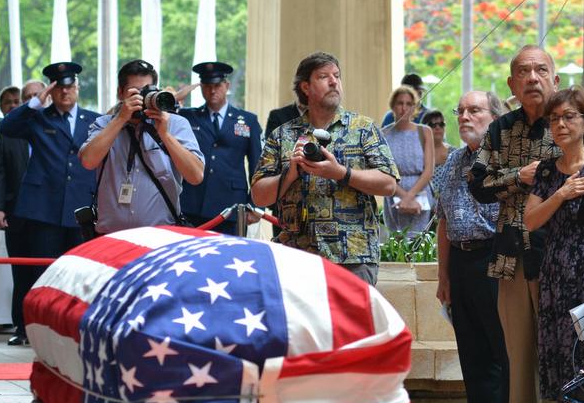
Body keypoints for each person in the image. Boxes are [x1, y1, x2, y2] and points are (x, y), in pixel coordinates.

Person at [468, 45, 584, 403]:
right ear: (511, 84)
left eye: (541, 69)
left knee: (568, 352)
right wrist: (518, 177)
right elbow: (478, 184)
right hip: (513, 254)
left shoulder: (581, 127)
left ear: (555, 79)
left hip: (572, 260)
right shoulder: (501, 130)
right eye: (523, 71)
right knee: (521, 353)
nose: (532, 78)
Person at [250, 52, 399, 286]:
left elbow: (389, 184)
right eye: (324, 76)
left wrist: (341, 173)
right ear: (306, 87)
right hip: (297, 256)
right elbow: (258, 195)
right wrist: (291, 173)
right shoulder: (282, 135)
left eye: (337, 76)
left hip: (353, 257)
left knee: (352, 324)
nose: (334, 82)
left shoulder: (363, 128)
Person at [434, 91, 509, 403]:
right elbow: (443, 221)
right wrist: (443, 275)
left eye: (474, 110)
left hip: (495, 258)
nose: (464, 116)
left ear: (494, 117)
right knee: (473, 353)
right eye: (459, 110)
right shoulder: (450, 162)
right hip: (461, 263)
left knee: (501, 351)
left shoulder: (505, 158)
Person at [522, 87, 584, 403]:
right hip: (553, 270)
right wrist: (561, 194)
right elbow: (530, 220)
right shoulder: (545, 170)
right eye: (554, 119)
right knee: (555, 353)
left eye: (569, 117)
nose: (561, 125)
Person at [0, 62, 100, 298]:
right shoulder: (38, 117)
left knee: (78, 274)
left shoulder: (93, 120)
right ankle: (37, 330)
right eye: (59, 87)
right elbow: (6, 127)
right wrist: (34, 102)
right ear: (51, 90)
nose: (65, 91)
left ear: (77, 87)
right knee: (43, 275)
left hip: (81, 208)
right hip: (43, 209)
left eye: (70, 86)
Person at [79, 60, 205, 235]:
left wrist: (165, 135)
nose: (142, 98)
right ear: (120, 93)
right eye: (135, 93)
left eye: (146, 91)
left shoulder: (175, 123)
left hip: (160, 236)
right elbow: (87, 161)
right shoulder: (104, 124)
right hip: (111, 238)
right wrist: (121, 118)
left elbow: (196, 175)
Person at [0, 79, 46, 346]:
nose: (35, 99)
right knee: (21, 273)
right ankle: (21, 328)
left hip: (49, 215)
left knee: (46, 273)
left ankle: (46, 328)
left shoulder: (55, 127)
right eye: (29, 96)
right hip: (17, 213)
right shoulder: (11, 132)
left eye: (38, 94)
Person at [176, 61, 261, 234]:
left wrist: (255, 204)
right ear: (200, 87)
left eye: (217, 85)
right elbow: (163, 114)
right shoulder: (189, 117)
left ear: (226, 85)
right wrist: (177, 97)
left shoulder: (247, 120)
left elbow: (257, 166)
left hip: (231, 204)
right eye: (207, 86)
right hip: (192, 202)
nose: (212, 91)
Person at [382, 85, 436, 237]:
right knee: (397, 241)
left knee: (417, 241)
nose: (404, 108)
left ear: (414, 107)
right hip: (393, 191)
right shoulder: (384, 134)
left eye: (408, 104)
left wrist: (409, 196)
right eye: (400, 103)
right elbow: (384, 170)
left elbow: (428, 171)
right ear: (393, 106)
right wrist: (401, 195)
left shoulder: (424, 131)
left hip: (420, 192)